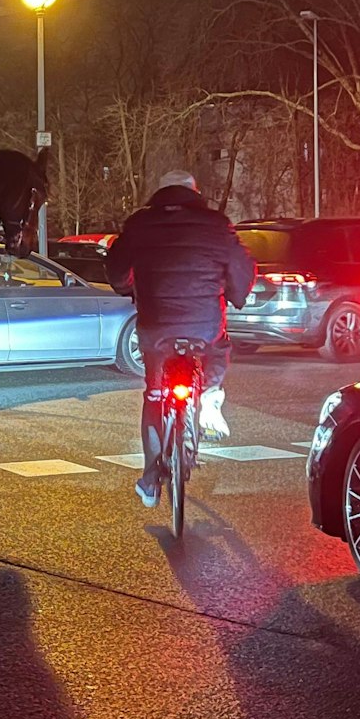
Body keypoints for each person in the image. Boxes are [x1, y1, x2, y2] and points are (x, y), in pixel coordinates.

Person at [105, 170, 256, 507]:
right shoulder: (217, 225)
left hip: (156, 325)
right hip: (205, 325)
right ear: (194, 193)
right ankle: (211, 395)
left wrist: (128, 287)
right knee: (218, 346)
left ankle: (150, 480)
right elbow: (242, 269)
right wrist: (237, 295)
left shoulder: (139, 224)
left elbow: (116, 270)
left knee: (155, 395)